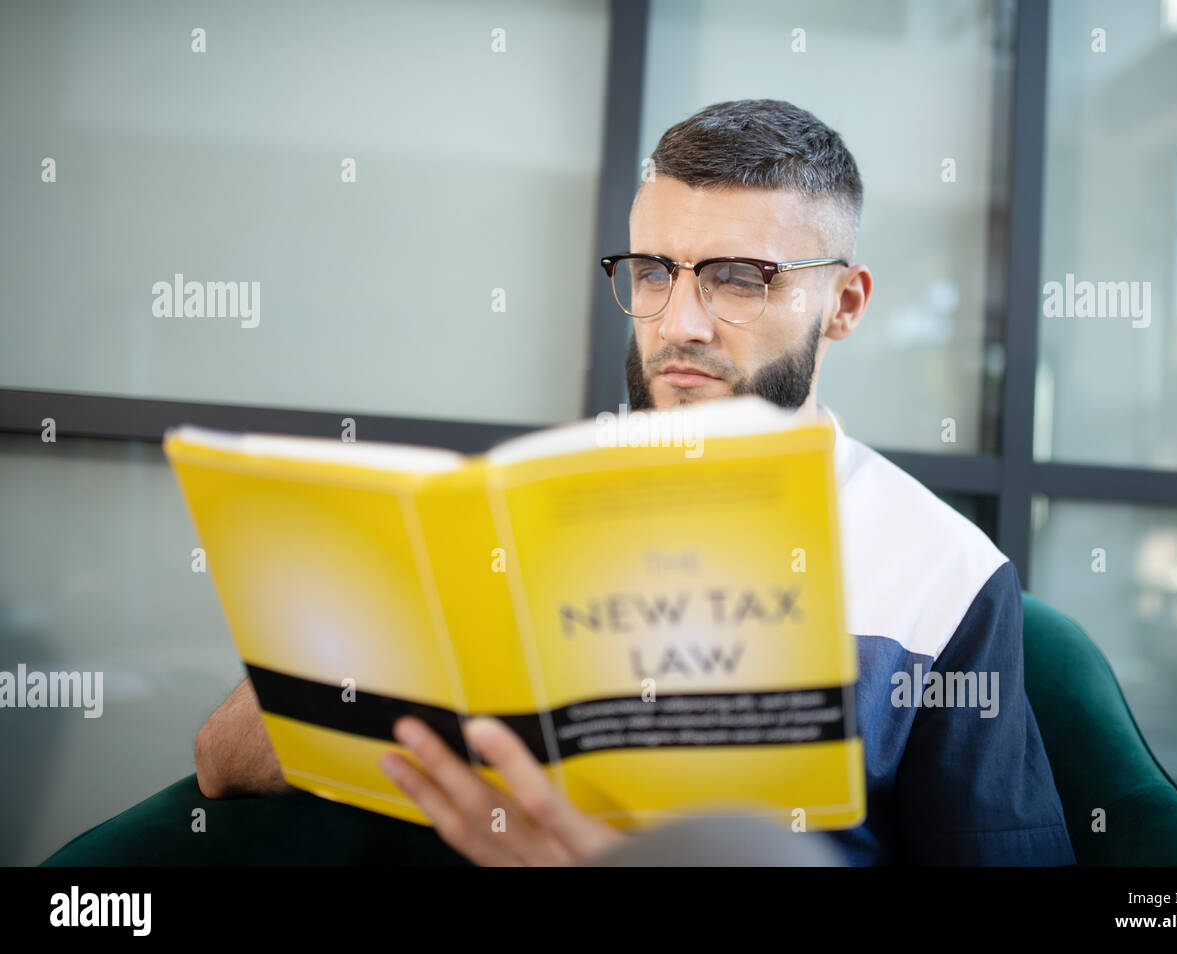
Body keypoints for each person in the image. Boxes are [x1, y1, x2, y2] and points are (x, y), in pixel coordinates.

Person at [195, 98, 1075, 867]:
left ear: (843, 306)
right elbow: (219, 760)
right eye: (654, 272)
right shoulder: (517, 510)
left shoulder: (940, 573)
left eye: (740, 279)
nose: (678, 324)